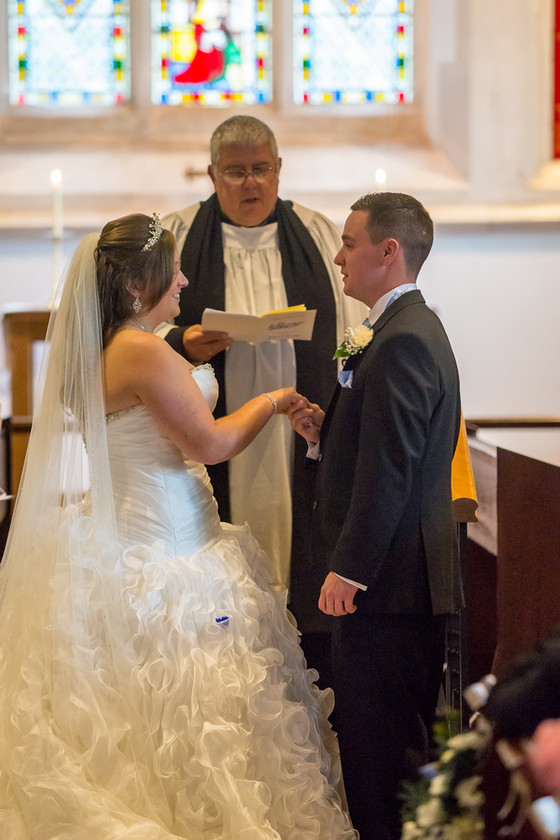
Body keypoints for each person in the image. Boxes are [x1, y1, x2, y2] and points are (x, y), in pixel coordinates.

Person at [0, 212, 358, 838]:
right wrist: (272, 400)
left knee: (140, 711)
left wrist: (184, 352)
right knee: (195, 707)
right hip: (169, 549)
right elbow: (210, 444)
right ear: (139, 285)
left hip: (123, 535)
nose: (186, 279)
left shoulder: (98, 346)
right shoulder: (141, 351)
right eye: (173, 272)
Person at [159, 115, 365, 683]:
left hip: (295, 425)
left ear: (279, 171)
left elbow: (353, 329)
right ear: (211, 175)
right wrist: (185, 340)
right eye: (235, 173)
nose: (250, 185)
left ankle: (308, 667)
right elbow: (139, 331)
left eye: (261, 171)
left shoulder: (320, 235)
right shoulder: (174, 236)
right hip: (214, 430)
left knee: (298, 544)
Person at [288, 192, 464, 840]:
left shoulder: (404, 341)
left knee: (383, 756)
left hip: (390, 588)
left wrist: (350, 570)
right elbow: (375, 445)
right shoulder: (385, 332)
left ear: (388, 252)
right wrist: (320, 435)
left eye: (349, 242)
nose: (337, 256)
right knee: (374, 748)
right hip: (390, 586)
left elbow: (391, 469)